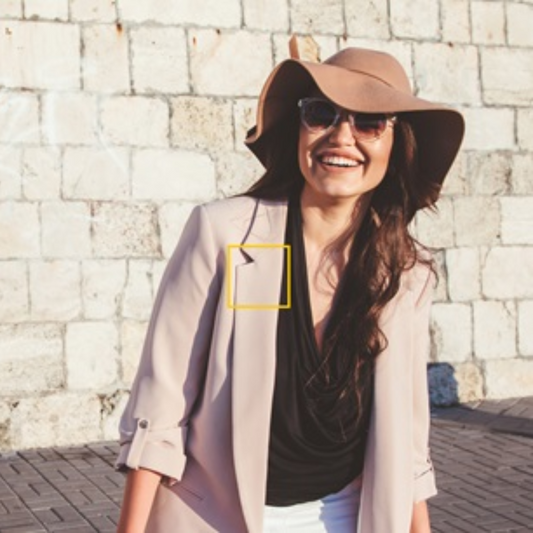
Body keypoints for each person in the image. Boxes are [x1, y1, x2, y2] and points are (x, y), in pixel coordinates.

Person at [115, 36, 464, 533]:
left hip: (349, 515)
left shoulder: (405, 272)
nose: (342, 137)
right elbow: (161, 402)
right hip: (217, 516)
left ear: (396, 142)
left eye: (368, 122)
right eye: (322, 113)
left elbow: (406, 435)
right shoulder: (225, 234)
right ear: (299, 129)